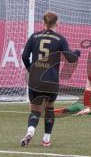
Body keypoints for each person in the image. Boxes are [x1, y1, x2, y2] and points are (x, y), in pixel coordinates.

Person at [21, 12, 80, 147]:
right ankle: (46, 140)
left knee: (35, 110)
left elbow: (24, 56)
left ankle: (30, 131)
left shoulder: (34, 36)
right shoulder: (60, 39)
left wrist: (31, 69)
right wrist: (77, 53)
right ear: (57, 23)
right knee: (49, 108)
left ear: (43, 22)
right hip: (51, 81)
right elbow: (70, 59)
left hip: (35, 79)